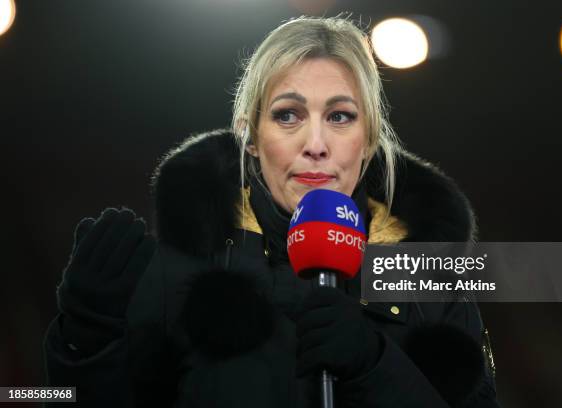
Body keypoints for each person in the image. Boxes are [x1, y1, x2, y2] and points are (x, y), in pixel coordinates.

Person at [44, 15, 499, 407]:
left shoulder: (433, 278)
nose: (316, 146)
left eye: (340, 116)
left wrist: (374, 366)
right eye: (287, 116)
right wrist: (86, 340)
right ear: (251, 137)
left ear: (370, 141)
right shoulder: (174, 270)